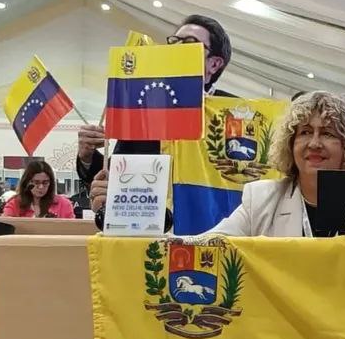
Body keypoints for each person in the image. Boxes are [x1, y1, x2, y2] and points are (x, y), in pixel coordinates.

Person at [81, 14, 234, 221]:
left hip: (213, 226)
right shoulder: (145, 109)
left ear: (214, 64)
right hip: (147, 225)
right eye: (174, 42)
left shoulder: (232, 113)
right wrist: (88, 159)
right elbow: (117, 173)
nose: (175, 49)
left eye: (189, 43)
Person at [202, 91, 345, 238]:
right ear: (290, 143)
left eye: (327, 133)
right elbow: (209, 247)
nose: (314, 144)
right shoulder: (260, 200)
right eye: (305, 132)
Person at [2, 160, 76, 219]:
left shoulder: (64, 204)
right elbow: (4, 225)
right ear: (27, 182)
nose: (41, 187)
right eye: (36, 182)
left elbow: (72, 229)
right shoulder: (15, 203)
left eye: (45, 183)